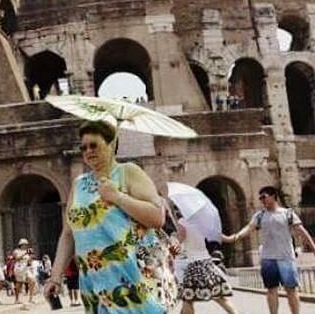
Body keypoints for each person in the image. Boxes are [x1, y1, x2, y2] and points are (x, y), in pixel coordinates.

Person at [45, 121, 168, 313]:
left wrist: (118, 197)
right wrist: (55, 277)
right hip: (93, 282)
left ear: (111, 144)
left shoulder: (127, 172)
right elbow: (68, 234)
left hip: (128, 278)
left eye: (94, 145)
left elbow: (157, 217)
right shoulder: (79, 184)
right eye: (83, 147)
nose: (88, 151)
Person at [223, 185, 315, 314]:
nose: (262, 200)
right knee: (271, 290)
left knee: (291, 290)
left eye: (264, 197)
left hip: (286, 257)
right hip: (268, 259)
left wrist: (313, 247)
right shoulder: (259, 216)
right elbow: (249, 228)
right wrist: (234, 237)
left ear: (273, 196)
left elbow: (301, 231)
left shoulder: (288, 213)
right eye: (260, 198)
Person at [173, 209, 238, 314]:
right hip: (207, 263)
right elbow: (218, 236)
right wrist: (233, 238)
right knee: (220, 297)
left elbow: (181, 236)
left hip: (194, 265)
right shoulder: (202, 222)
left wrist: (174, 243)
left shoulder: (182, 222)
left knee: (188, 299)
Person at [12, 239, 31, 306]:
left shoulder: (26, 251)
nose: (26, 246)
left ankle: (30, 298)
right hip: (19, 268)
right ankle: (16, 299)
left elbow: (28, 261)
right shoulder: (16, 251)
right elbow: (16, 258)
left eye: (26, 244)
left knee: (32, 281)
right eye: (25, 244)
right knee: (19, 283)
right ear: (21, 245)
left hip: (25, 269)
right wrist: (24, 254)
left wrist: (29, 261)